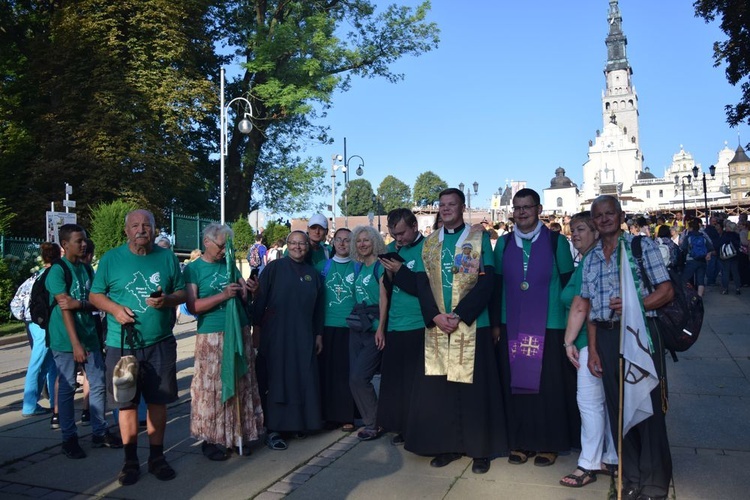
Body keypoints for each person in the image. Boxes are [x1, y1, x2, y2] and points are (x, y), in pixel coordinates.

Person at [406, 188, 508, 474]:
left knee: (474, 391)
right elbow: (421, 284)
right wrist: (436, 316)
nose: (447, 208)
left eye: (452, 204)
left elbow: (487, 283)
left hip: (473, 324)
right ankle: (447, 445)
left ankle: (480, 450)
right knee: (443, 392)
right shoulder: (429, 243)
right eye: (443, 204)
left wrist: (461, 314)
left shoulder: (478, 239)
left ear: (462, 207)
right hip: (438, 325)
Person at [581, 195, 674, 500]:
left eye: (610, 213)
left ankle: (655, 483)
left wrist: (635, 304)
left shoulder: (640, 246)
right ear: (593, 221)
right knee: (619, 408)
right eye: (599, 215)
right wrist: (593, 350)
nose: (605, 219)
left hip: (640, 333)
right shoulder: (591, 257)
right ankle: (630, 477)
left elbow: (666, 291)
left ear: (620, 216)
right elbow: (592, 309)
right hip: (607, 337)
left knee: (646, 406)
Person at [89, 209, 186, 486]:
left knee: (158, 401)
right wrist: (115, 309)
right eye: (135, 225)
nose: (141, 229)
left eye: (147, 225)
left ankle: (157, 457)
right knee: (126, 404)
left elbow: (181, 292)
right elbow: (95, 295)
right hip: (122, 345)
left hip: (160, 343)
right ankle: (130, 461)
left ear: (155, 229)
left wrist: (167, 300)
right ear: (126, 231)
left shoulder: (167, 257)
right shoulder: (111, 259)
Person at [492, 188, 578, 467]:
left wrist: (570, 331)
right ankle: (519, 441)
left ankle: (548, 443)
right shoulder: (503, 244)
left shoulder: (556, 242)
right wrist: (495, 324)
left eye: (527, 207)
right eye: (517, 208)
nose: (521, 212)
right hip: (512, 323)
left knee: (547, 387)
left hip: (550, 325)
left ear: (539, 209)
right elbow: (495, 286)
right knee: (516, 386)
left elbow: (569, 285)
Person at [183, 223, 263, 461]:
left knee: (240, 382)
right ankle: (212, 438)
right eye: (221, 245)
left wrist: (251, 290)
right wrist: (222, 295)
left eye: (227, 245)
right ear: (206, 242)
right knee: (213, 389)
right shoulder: (194, 269)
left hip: (238, 329)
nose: (224, 250)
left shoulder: (230, 265)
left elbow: (245, 297)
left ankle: (238, 435)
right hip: (212, 333)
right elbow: (192, 306)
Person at [47, 224, 122, 459]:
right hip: (66, 339)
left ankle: (100, 431)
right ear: (65, 244)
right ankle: (69, 437)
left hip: (89, 335)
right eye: (78, 241)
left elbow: (92, 302)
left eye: (84, 240)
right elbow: (64, 309)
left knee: (98, 383)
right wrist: (76, 344)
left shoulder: (87, 269)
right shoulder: (58, 271)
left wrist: (80, 304)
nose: (83, 244)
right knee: (68, 386)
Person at [559, 212, 618, 488]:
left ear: (596, 232)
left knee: (590, 403)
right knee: (603, 403)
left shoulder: (591, 262)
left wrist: (569, 341)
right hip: (595, 339)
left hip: (588, 341)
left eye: (581, 228)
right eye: (572, 230)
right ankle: (609, 456)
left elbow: (582, 305)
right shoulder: (590, 259)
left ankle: (589, 463)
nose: (574, 234)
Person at [253, 230, 324, 451]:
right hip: (277, 334)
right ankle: (274, 429)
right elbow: (259, 299)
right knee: (277, 379)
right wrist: (256, 329)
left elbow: (318, 308)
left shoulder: (313, 274)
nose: (297, 247)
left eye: (301, 244)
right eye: (293, 243)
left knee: (300, 378)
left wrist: (319, 334)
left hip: (303, 334)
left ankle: (296, 423)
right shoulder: (275, 268)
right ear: (287, 245)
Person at [376, 208, 426, 446]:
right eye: (394, 234)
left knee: (416, 384)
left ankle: (417, 426)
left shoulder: (428, 249)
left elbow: (426, 287)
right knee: (398, 383)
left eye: (402, 233)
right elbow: (386, 289)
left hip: (418, 324)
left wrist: (401, 271)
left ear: (414, 226)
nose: (399, 239)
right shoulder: (395, 250)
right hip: (396, 324)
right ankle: (402, 425)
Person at [316, 228, 357, 431]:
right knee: (328, 373)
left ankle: (346, 415)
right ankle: (329, 415)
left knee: (347, 372)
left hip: (350, 327)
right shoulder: (322, 267)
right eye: (339, 240)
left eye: (347, 240)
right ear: (332, 242)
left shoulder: (358, 267)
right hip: (327, 326)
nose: (342, 244)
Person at [12, 242, 60, 418]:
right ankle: (30, 404)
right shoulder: (52, 275)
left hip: (33, 321)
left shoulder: (36, 275)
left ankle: (55, 401)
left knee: (50, 361)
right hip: (44, 322)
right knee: (39, 362)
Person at [348, 225, 386, 441]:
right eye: (359, 241)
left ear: (375, 242)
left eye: (366, 240)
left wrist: (381, 328)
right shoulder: (359, 268)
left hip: (374, 329)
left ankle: (374, 423)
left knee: (360, 377)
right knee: (353, 379)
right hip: (358, 328)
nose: (362, 244)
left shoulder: (379, 267)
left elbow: (384, 299)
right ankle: (373, 419)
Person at [680, 218, 714, 297]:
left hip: (691, 260)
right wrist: (708, 254)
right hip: (702, 260)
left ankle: (687, 295)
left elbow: (683, 248)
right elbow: (710, 247)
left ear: (690, 228)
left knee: (685, 279)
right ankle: (699, 298)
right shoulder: (703, 236)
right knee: (700, 280)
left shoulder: (688, 237)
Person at [718, 220, 742, 295]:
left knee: (725, 273)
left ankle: (725, 289)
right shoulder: (737, 235)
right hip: (735, 256)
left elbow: (720, 243)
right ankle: (738, 288)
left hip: (726, 256)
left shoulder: (725, 235)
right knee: (735, 273)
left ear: (728, 228)